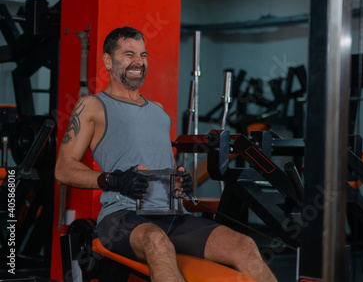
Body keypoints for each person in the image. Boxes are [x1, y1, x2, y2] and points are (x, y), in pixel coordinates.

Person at [55, 26, 277, 282]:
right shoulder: (92, 105)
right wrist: (112, 180)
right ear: (108, 60)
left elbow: (161, 166)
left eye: (143, 54)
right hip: (122, 218)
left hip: (173, 216)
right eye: (129, 54)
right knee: (157, 242)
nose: (139, 61)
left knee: (244, 245)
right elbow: (63, 169)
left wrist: (180, 182)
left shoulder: (159, 111)